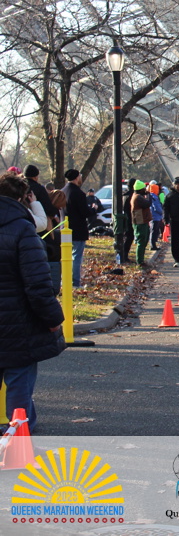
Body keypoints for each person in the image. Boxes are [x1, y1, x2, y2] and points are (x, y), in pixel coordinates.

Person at [0, 172, 65, 431]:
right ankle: (18, 435)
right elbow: (37, 284)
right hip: (18, 321)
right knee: (19, 379)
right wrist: (53, 319)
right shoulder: (22, 229)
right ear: (22, 198)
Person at [62, 169, 89, 288]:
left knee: (65, 256)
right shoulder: (79, 193)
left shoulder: (63, 191)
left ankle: (64, 280)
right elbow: (84, 212)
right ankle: (75, 282)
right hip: (78, 229)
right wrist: (93, 209)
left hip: (64, 228)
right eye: (80, 176)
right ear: (77, 177)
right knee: (76, 257)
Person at [129, 180, 153, 266]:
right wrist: (149, 195)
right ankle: (140, 261)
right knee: (141, 241)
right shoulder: (138, 197)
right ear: (140, 189)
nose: (145, 190)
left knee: (144, 241)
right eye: (144, 189)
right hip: (140, 222)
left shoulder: (136, 196)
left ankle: (141, 260)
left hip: (142, 221)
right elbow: (148, 204)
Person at [149, 185, 164, 251]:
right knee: (154, 231)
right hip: (155, 216)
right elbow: (156, 206)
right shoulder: (154, 197)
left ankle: (153, 244)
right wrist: (162, 212)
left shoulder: (151, 196)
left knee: (154, 231)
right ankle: (153, 245)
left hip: (154, 216)